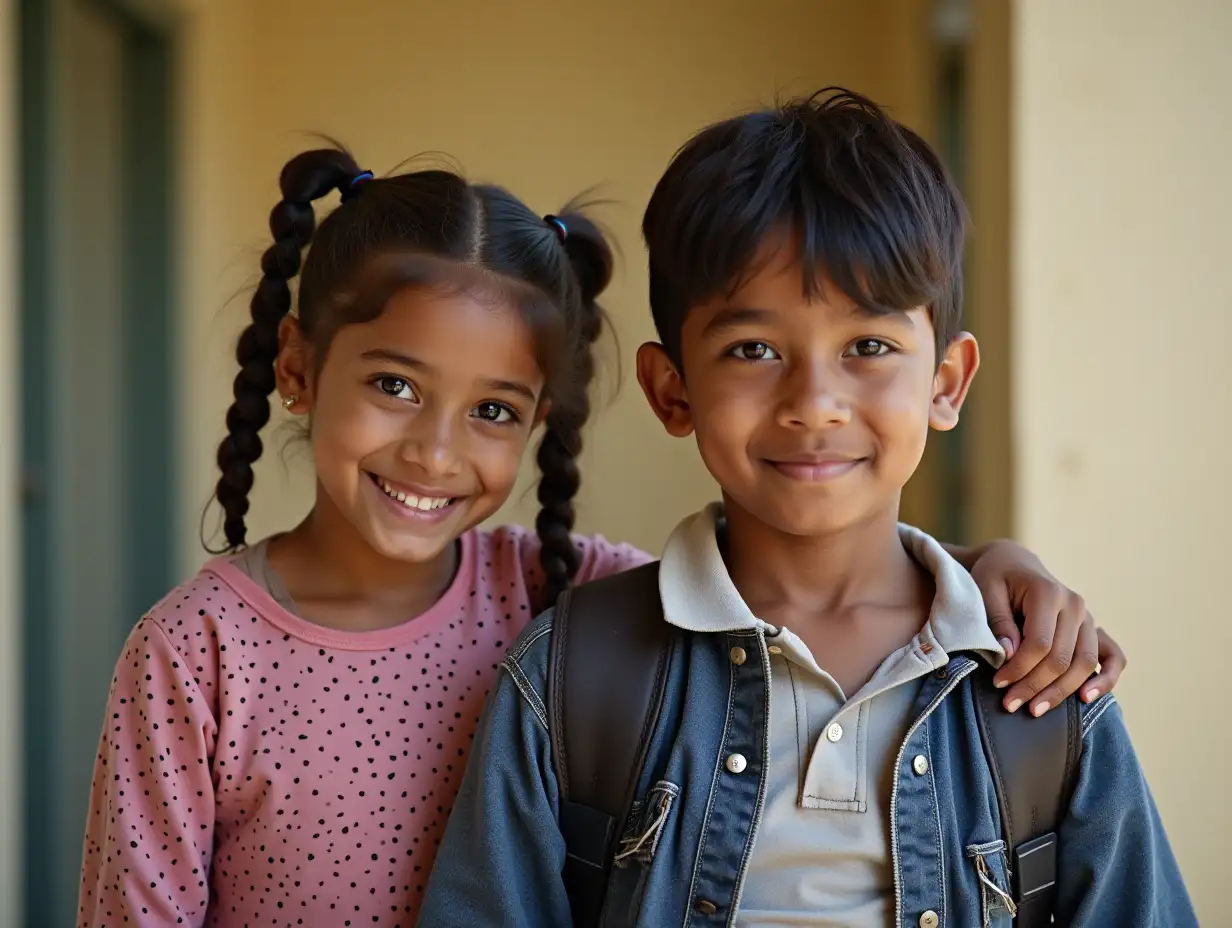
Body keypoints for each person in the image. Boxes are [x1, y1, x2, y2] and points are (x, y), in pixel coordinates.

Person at [78, 143, 1124, 928]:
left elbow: (781, 579)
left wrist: (995, 569)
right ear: (301, 368)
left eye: (492, 409)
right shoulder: (199, 651)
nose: (435, 451)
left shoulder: (560, 599)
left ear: (535, 421)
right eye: (394, 385)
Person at [417, 89, 1190, 927]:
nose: (814, 402)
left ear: (947, 382)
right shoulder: (569, 674)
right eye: (753, 349)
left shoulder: (1039, 687)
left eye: (869, 347)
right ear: (671, 391)